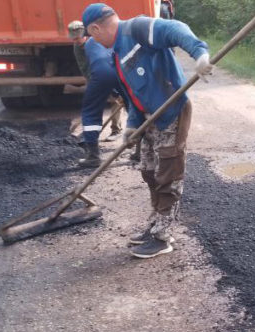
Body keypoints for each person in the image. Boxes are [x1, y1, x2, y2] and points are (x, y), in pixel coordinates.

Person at [82, 3, 213, 258]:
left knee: (168, 174)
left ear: (96, 28)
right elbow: (133, 97)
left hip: (171, 112)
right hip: (148, 119)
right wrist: (131, 126)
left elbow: (175, 28)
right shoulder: (117, 56)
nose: (93, 40)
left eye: (91, 34)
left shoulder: (137, 29)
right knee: (149, 172)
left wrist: (199, 53)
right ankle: (155, 222)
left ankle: (163, 236)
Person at [67, 20, 124, 168]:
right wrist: (94, 84)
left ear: (85, 33)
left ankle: (97, 152)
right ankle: (93, 151)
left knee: (96, 111)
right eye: (74, 38)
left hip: (113, 72)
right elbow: (85, 68)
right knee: (96, 108)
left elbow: (109, 58)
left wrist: (115, 91)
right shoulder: (77, 47)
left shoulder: (96, 40)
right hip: (102, 75)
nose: (76, 40)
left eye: (78, 37)